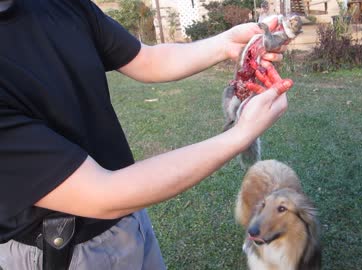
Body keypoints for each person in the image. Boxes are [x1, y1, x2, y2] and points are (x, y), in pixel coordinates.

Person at [0, 0, 290, 269]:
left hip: (130, 219)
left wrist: (225, 43)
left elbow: (147, 59)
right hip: (61, 252)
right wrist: (240, 134)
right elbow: (103, 192)